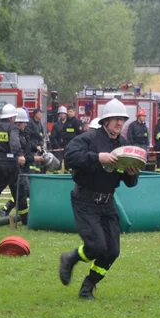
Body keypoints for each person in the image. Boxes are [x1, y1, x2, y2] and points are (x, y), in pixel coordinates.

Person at [58, 99, 140, 300]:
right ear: (105, 121)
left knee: (112, 251)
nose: (119, 123)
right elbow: (70, 156)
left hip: (108, 203)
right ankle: (70, 258)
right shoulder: (89, 138)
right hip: (84, 201)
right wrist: (98, 157)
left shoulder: (124, 145)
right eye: (115, 119)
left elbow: (130, 183)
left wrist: (131, 173)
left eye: (122, 119)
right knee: (96, 247)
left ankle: (88, 286)